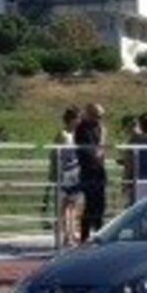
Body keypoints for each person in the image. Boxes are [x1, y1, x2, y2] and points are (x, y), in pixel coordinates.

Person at [75, 103, 107, 242]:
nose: (100, 119)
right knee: (91, 205)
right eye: (97, 116)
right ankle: (85, 236)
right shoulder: (83, 129)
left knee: (100, 205)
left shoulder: (97, 128)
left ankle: (99, 234)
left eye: (101, 116)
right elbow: (95, 152)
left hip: (98, 170)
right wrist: (103, 138)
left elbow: (100, 153)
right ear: (89, 114)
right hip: (89, 170)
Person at [50, 106, 81, 247]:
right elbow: (55, 155)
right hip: (65, 173)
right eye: (78, 119)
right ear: (72, 119)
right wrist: (55, 174)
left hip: (76, 172)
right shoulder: (63, 135)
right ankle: (66, 235)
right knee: (65, 205)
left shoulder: (78, 135)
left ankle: (73, 232)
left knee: (74, 205)